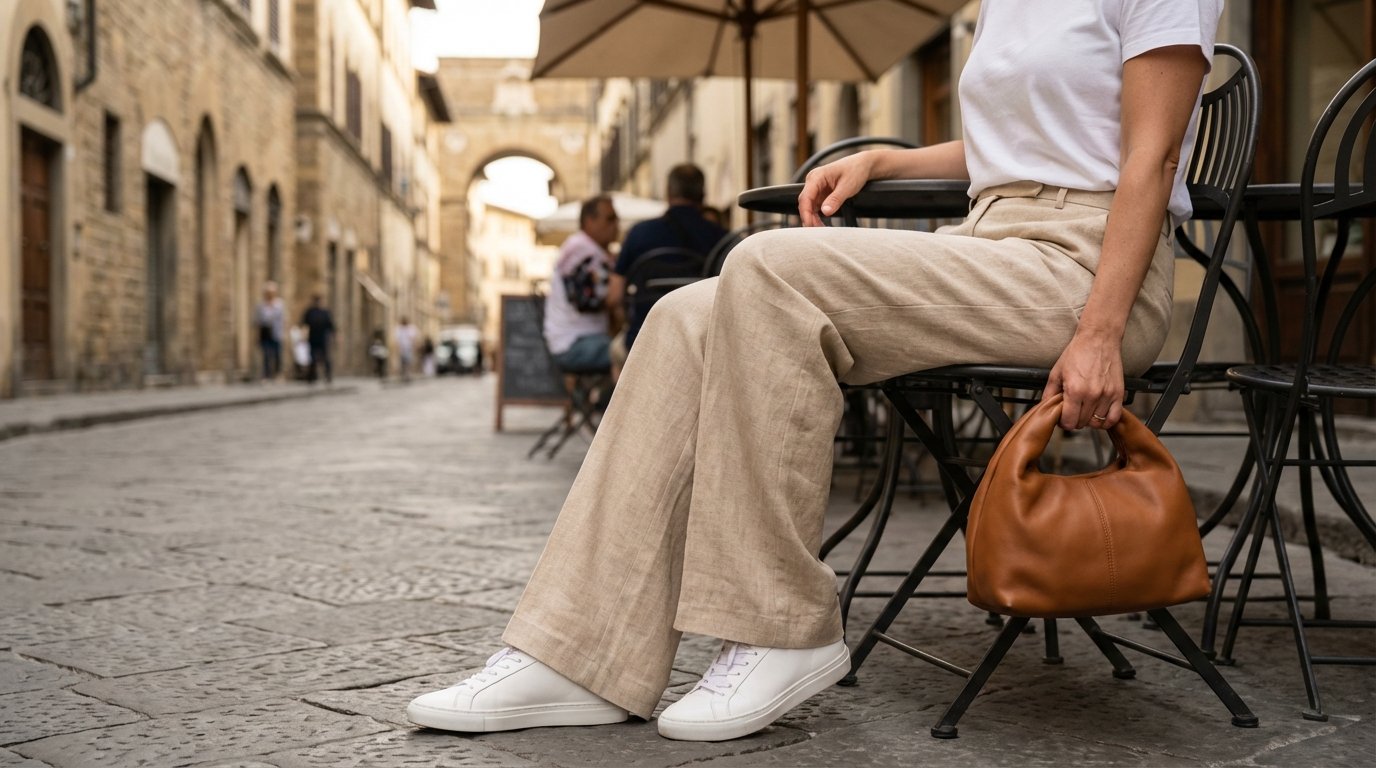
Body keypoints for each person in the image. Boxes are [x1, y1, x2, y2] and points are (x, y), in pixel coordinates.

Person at [408, 0, 1220, 743]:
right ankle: (577, 653)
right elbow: (1024, 137)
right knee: (684, 315)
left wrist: (1101, 332)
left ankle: (778, 628)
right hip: (988, 240)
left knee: (771, 267)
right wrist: (884, 160)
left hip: (1087, 268)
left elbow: (1150, 159)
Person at [606, 164, 728, 375]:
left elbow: (614, 296)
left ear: (668, 193)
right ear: (702, 195)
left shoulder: (638, 233)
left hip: (643, 337)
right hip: (702, 342)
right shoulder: (720, 237)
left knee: (616, 351)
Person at [543, 195, 619, 372]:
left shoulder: (592, 251)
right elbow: (584, 300)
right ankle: (606, 399)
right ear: (589, 221)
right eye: (610, 219)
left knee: (630, 347)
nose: (616, 225)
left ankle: (602, 397)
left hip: (581, 340)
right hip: (574, 343)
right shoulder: (579, 251)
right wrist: (615, 296)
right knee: (632, 350)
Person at [255, 281, 286, 382]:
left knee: (277, 354)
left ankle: (278, 374)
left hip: (276, 332)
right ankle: (266, 375)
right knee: (266, 354)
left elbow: (283, 319)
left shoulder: (279, 304)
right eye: (267, 292)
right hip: (265, 332)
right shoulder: (261, 305)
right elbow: (257, 320)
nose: (269, 294)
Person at [301, 295, 335, 385]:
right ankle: (312, 376)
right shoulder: (310, 312)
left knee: (325, 357)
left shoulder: (325, 312)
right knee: (312, 358)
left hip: (323, 338)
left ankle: (328, 376)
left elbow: (331, 325)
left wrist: (335, 336)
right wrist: (304, 335)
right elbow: (305, 324)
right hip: (313, 337)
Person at [394, 316, 420, 382]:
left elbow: (413, 339)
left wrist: (414, 347)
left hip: (409, 348)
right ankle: (403, 375)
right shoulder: (399, 329)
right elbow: (397, 340)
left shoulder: (411, 328)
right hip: (402, 348)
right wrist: (398, 348)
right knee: (403, 363)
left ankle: (408, 375)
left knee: (408, 362)